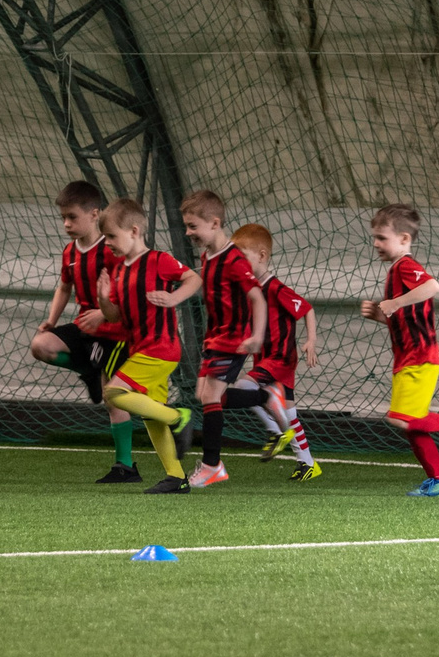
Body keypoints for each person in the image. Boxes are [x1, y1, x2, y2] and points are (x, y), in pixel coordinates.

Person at [79, 197, 201, 494]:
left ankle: (180, 417)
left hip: (160, 348)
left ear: (134, 231)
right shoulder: (119, 271)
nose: (107, 243)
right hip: (139, 348)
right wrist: (105, 298)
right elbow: (115, 315)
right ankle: (176, 477)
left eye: (111, 236)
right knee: (151, 414)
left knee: (116, 392)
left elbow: (193, 278)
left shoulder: (159, 260)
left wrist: (173, 298)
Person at [358, 204, 439, 496]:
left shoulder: (405, 266)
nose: (375, 243)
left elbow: (433, 286)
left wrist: (395, 303)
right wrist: (380, 315)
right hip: (407, 357)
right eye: (374, 237)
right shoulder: (396, 270)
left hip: (420, 356)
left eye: (381, 237)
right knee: (412, 424)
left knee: (402, 418)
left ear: (403, 239)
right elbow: (403, 320)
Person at [179, 189, 282, 487]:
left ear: (214, 223)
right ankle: (263, 396)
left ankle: (213, 465)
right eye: (186, 226)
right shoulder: (207, 255)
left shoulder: (234, 259)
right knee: (206, 396)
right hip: (215, 338)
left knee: (210, 396)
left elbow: (257, 298)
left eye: (192, 226)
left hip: (234, 339)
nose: (188, 232)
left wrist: (256, 336)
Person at [235, 224, 322, 481]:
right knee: (291, 414)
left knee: (242, 388)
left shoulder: (274, 287)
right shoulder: (251, 290)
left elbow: (306, 309)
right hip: (265, 358)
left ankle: (274, 430)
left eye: (242, 258)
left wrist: (311, 340)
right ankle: (308, 465)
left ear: (261, 256)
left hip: (280, 358)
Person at [29, 180, 112, 406]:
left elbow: (128, 290)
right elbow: (64, 287)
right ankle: (90, 371)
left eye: (72, 217)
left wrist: (104, 314)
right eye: (63, 218)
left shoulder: (112, 249)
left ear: (94, 215)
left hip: (113, 329)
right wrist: (51, 320)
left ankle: (167, 420)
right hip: (85, 326)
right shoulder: (69, 252)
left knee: (112, 399)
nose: (66, 224)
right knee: (40, 345)